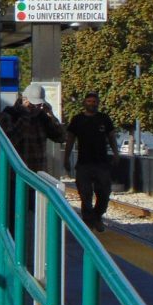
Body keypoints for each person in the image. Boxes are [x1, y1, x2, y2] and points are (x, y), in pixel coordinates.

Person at [64, 90, 120, 232]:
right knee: (85, 193)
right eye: (89, 101)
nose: (91, 104)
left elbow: (112, 137)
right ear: (84, 103)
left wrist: (116, 153)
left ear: (98, 103)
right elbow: (70, 139)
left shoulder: (104, 119)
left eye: (94, 102)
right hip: (84, 163)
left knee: (104, 193)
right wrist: (66, 158)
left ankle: (97, 216)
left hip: (102, 163)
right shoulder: (77, 119)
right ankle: (88, 220)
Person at [1, 83, 65, 172]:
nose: (37, 107)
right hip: (17, 173)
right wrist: (25, 115)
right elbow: (11, 140)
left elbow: (61, 137)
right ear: (24, 100)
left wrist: (52, 116)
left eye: (39, 105)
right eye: (34, 104)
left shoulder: (42, 117)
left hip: (39, 173)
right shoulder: (10, 114)